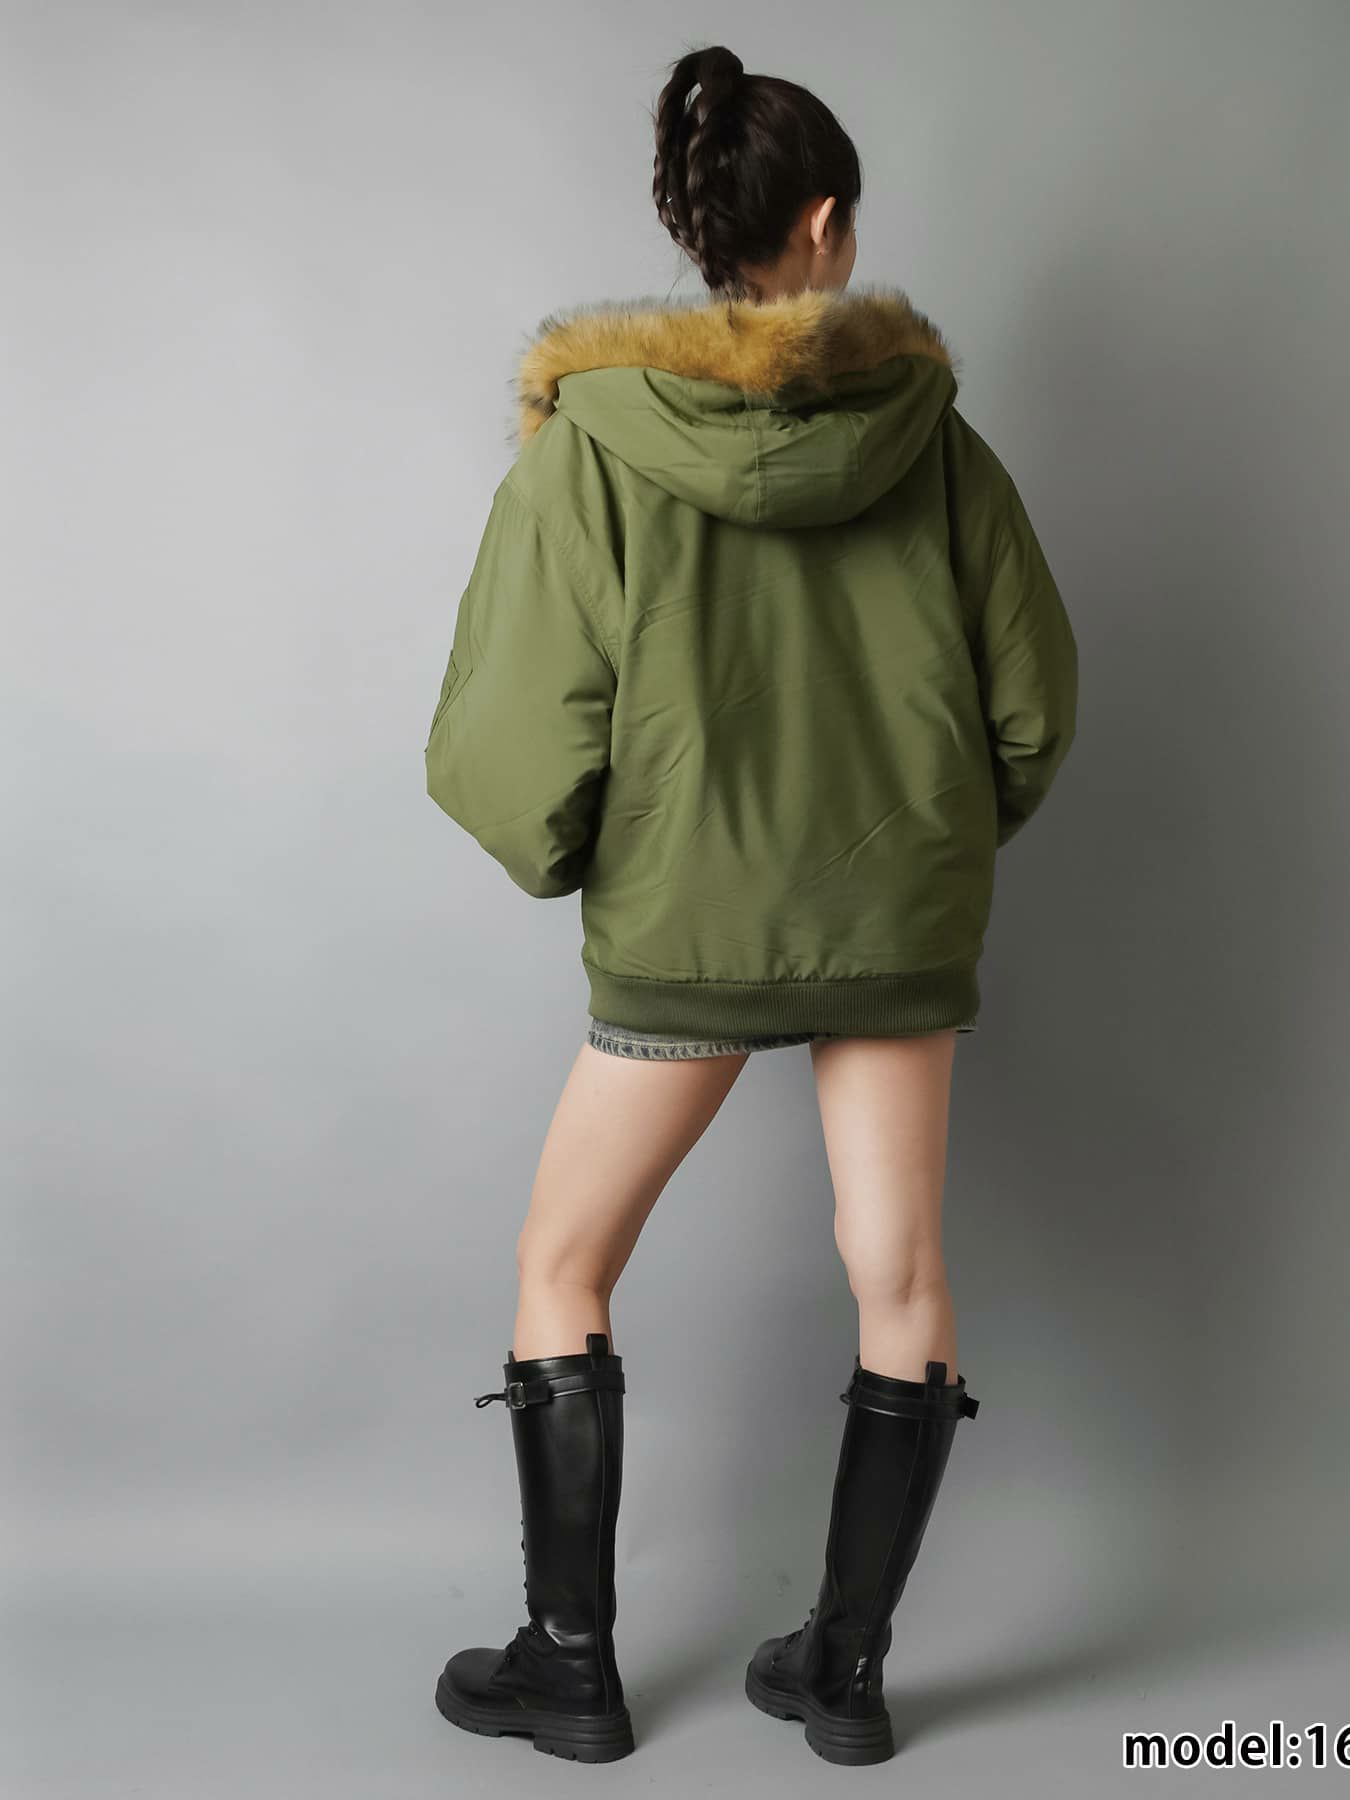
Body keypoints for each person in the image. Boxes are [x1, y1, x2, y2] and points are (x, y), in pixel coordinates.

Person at [424, 42, 1078, 1768]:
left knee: (563, 1262)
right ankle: (845, 1678)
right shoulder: (943, 449)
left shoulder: (590, 451)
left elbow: (511, 736)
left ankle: (572, 1667)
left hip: (683, 925)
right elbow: (1034, 707)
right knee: (903, 1272)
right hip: (895, 923)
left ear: (702, 232)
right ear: (829, 224)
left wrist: (601, 854)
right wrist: (933, 845)